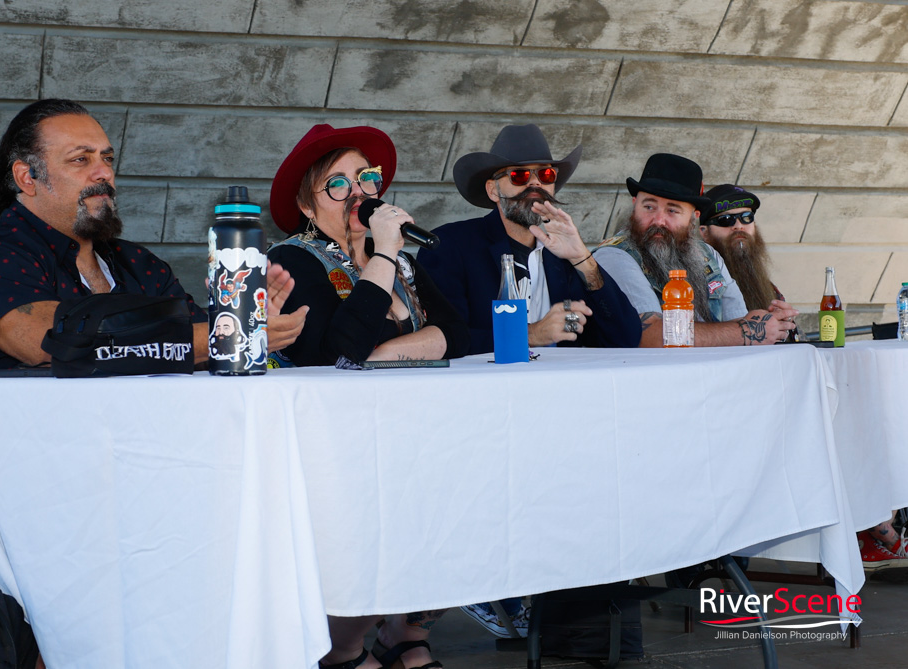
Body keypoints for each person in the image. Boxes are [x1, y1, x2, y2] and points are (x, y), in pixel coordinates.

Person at [0, 99, 307, 399]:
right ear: (28, 177)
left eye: (107, 158)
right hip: (17, 457)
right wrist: (226, 337)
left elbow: (195, 336)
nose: (104, 173)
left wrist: (241, 319)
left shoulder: (139, 263)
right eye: (81, 159)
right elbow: (46, 343)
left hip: (128, 447)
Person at [267, 123, 469, 668]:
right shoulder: (295, 260)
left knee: (467, 503)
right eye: (337, 185)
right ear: (309, 207)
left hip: (413, 429)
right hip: (333, 443)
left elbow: (457, 332)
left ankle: (406, 632)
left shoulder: (401, 258)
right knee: (364, 532)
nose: (358, 192)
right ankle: (344, 649)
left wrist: (386, 349)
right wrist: (380, 263)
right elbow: (339, 348)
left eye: (366, 177)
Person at [416, 124, 641, 355]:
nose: (535, 184)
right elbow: (445, 338)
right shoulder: (452, 245)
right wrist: (531, 335)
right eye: (519, 175)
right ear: (493, 190)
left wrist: (582, 258)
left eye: (546, 174)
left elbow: (625, 339)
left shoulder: (565, 256)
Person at [593, 153, 798, 347]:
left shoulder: (708, 256)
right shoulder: (614, 255)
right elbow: (652, 336)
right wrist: (748, 331)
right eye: (649, 207)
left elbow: (738, 320)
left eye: (672, 210)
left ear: (694, 217)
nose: (658, 220)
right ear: (634, 204)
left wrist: (772, 323)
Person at [698, 184, 804, 342]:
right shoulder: (698, 281)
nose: (739, 226)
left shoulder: (767, 286)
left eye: (747, 217)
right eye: (726, 220)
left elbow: (796, 340)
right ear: (704, 232)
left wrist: (784, 324)